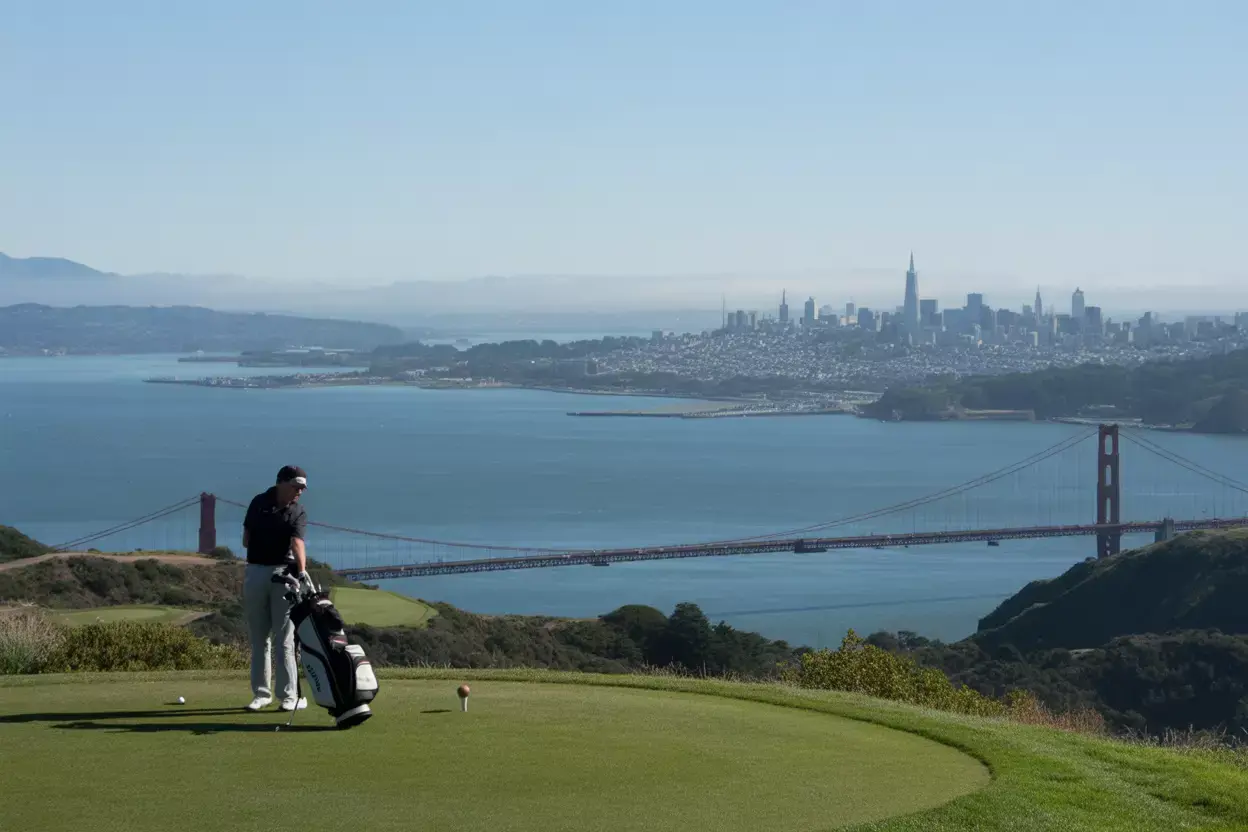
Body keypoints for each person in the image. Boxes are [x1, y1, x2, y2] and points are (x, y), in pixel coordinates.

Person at [242, 464, 311, 712]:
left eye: (302, 488)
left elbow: (297, 543)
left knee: (284, 639)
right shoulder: (258, 502)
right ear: (281, 482)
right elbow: (245, 538)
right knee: (260, 638)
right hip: (256, 572)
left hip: (284, 575)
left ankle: (288, 696)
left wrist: (301, 572)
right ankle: (261, 694)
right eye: (296, 487)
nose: (299, 492)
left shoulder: (298, 512)